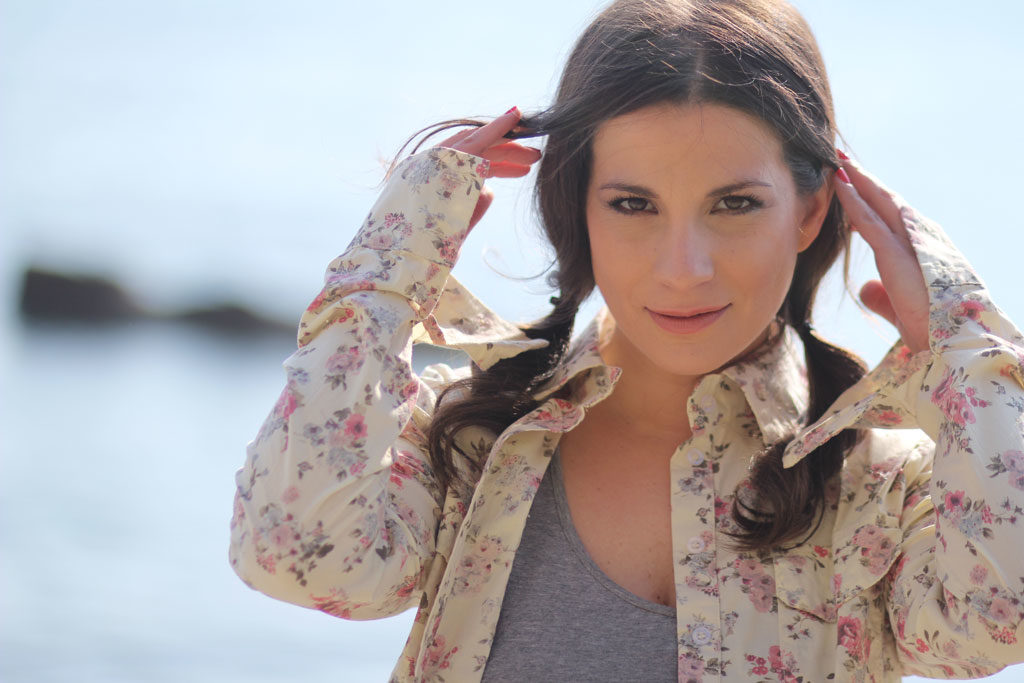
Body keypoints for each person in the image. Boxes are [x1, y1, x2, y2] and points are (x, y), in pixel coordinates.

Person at [228, 0, 1024, 680]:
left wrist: (967, 341)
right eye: (634, 205)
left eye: (735, 204)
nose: (683, 269)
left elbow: (1002, 617)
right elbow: (292, 551)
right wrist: (386, 272)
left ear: (812, 210)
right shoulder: (471, 443)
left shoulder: (877, 484)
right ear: (579, 208)